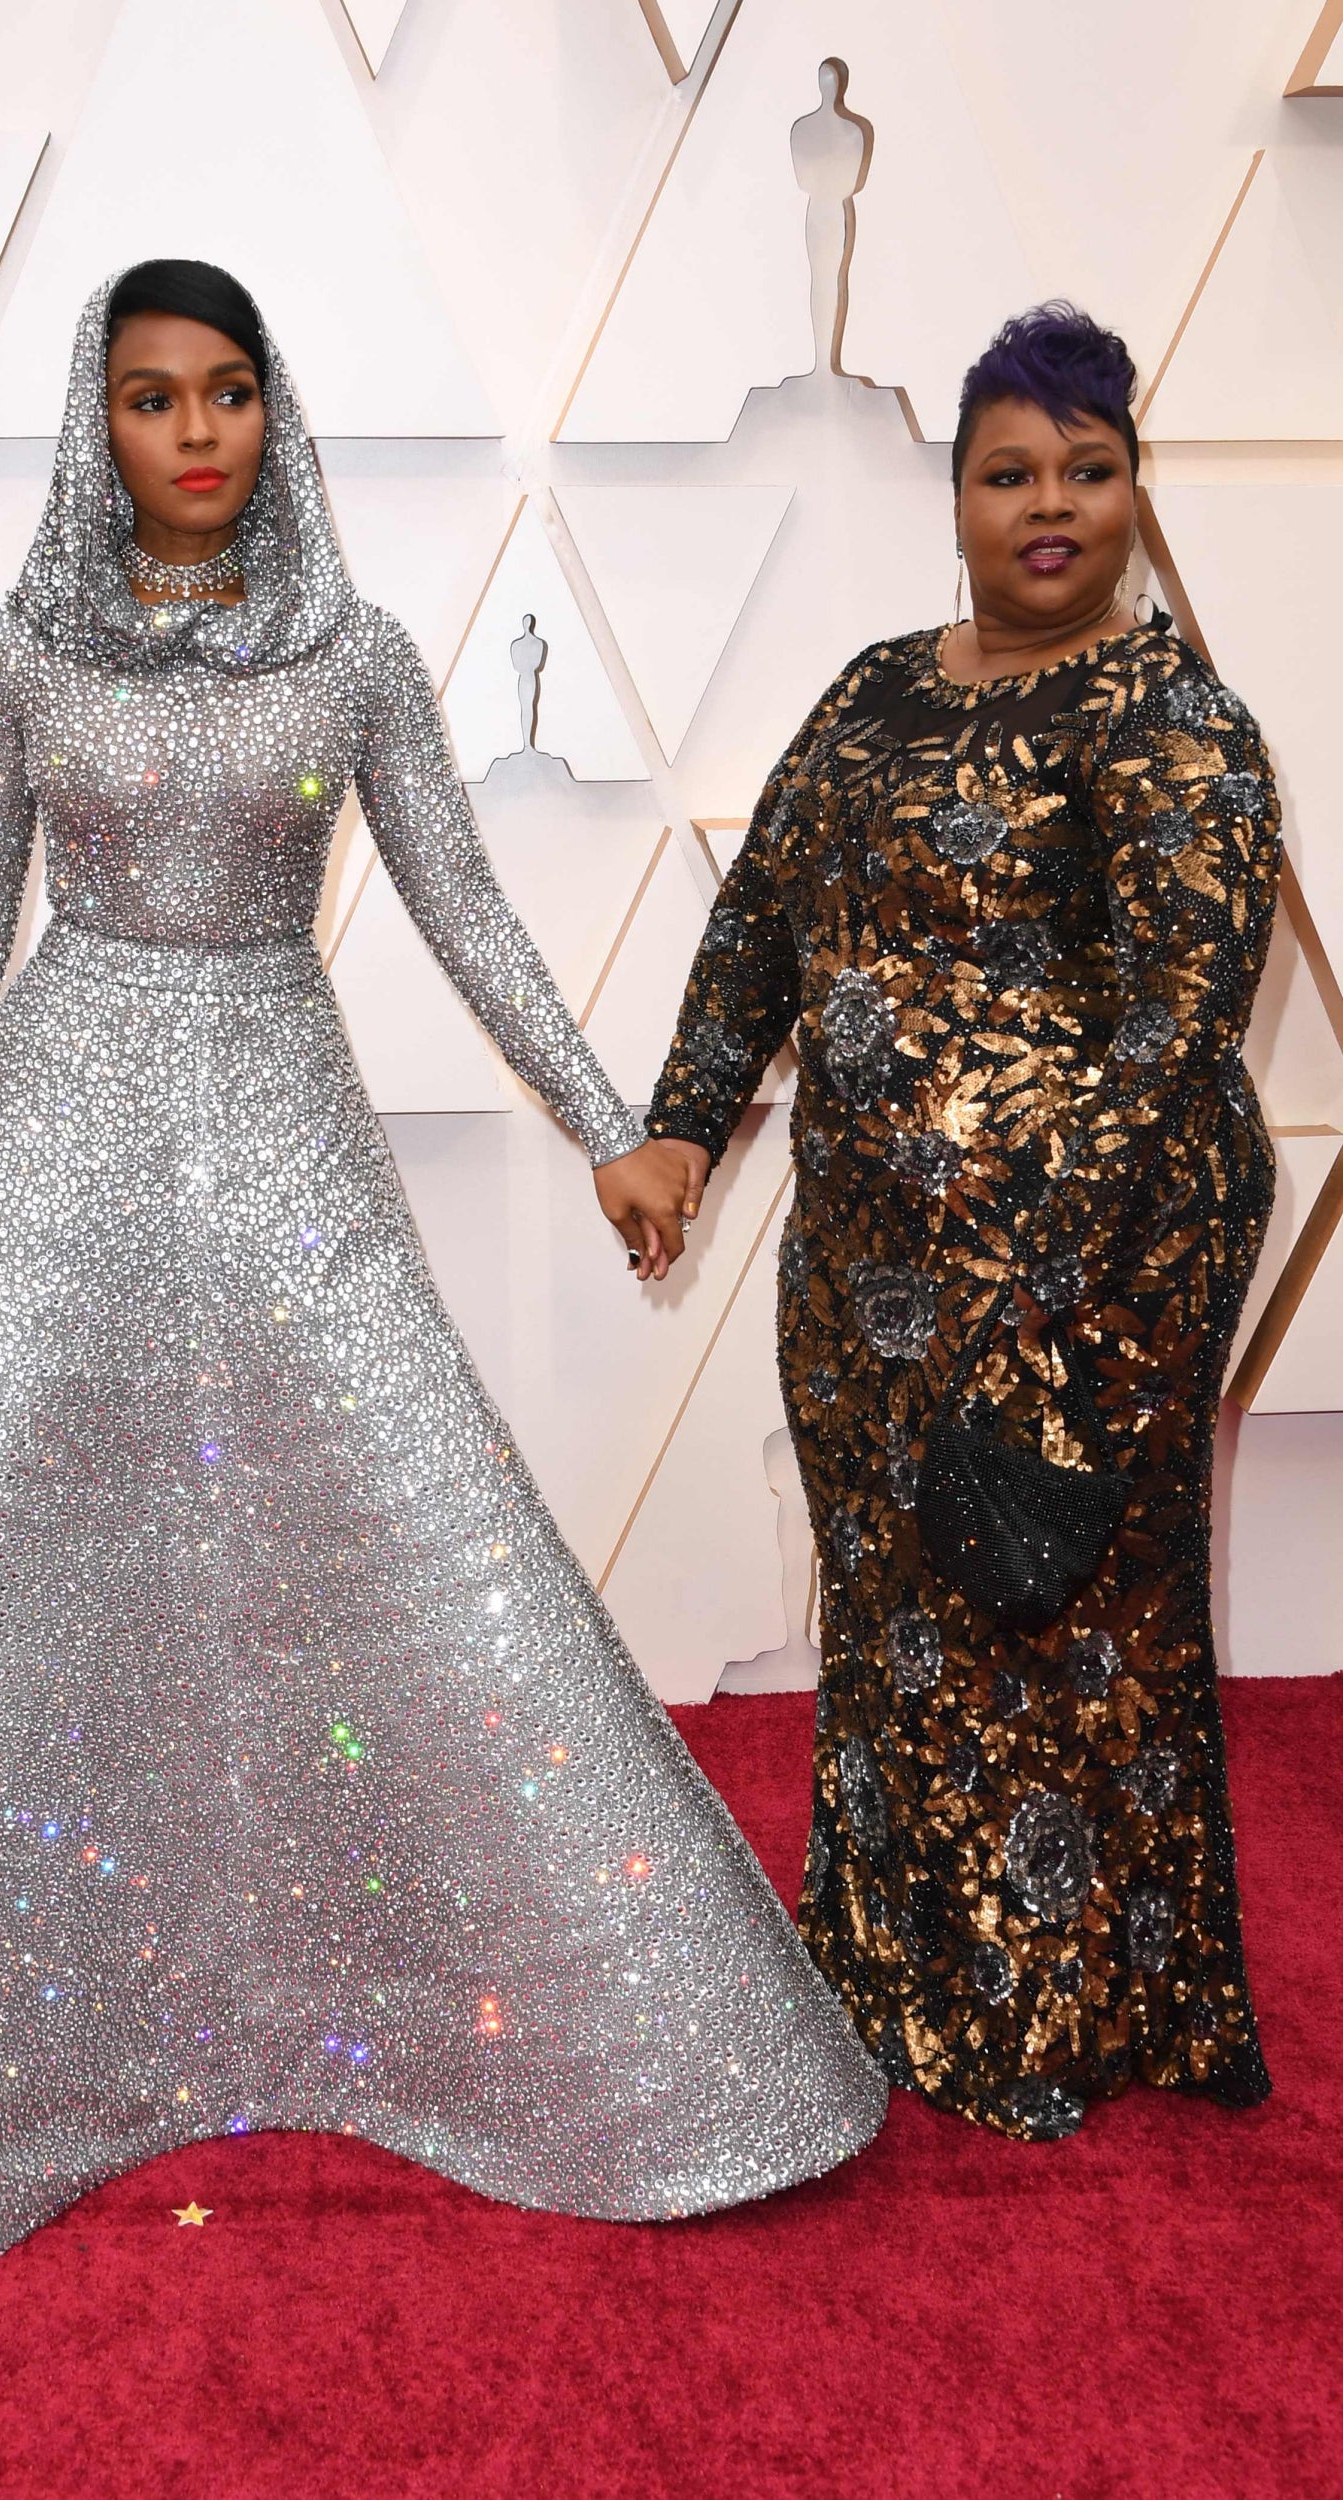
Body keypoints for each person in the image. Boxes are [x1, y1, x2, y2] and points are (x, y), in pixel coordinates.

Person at [0, 261, 884, 2306]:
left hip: (277, 1109)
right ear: (99, 422)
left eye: (230, 392)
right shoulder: (14, 652)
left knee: (407, 1511)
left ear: (277, 411)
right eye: (154, 397)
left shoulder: (355, 655)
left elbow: (460, 901)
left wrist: (608, 1122)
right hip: (52, 1121)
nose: (196, 432)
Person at [610, 302, 1280, 2141]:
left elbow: (1177, 1019)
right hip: (865, 1263)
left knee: (1048, 1616)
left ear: (1134, 488)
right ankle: (896, 1970)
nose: (1049, 504)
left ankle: (1050, 2016)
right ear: (959, 497)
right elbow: (762, 917)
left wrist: (1038, 1282)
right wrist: (681, 1129)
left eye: (1088, 468)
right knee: (898, 1609)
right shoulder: (873, 691)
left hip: (1095, 1265)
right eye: (1009, 472)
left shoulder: (1175, 719)